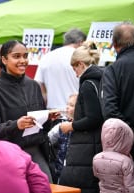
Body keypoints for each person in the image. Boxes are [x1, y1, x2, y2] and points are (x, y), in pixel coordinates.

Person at [0, 40, 53, 182]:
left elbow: (43, 127)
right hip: (8, 156)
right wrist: (16, 125)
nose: (22, 60)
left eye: (25, 56)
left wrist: (48, 117)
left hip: (36, 151)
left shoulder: (33, 86)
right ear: (4, 59)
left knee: (47, 187)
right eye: (16, 56)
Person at [59, 41, 104, 193]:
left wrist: (71, 125)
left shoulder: (87, 84)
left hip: (87, 146)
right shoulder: (102, 80)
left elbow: (93, 118)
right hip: (98, 142)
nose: (75, 73)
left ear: (80, 64)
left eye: (74, 68)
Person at [100, 22, 134, 174]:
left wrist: (132, 132)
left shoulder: (113, 69)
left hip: (128, 144)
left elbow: (109, 109)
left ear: (114, 44)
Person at [34, 28, 86, 109]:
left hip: (53, 112)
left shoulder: (46, 57)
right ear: (81, 42)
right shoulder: (82, 57)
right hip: (76, 111)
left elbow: (39, 85)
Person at [93, 118, 134, 193]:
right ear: (126, 139)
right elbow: (132, 185)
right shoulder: (125, 161)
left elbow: (96, 175)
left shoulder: (96, 158)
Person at [47, 93, 77, 183]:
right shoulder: (61, 125)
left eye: (71, 105)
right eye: (67, 104)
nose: (67, 107)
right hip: (60, 170)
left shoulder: (82, 127)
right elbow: (48, 139)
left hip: (75, 171)